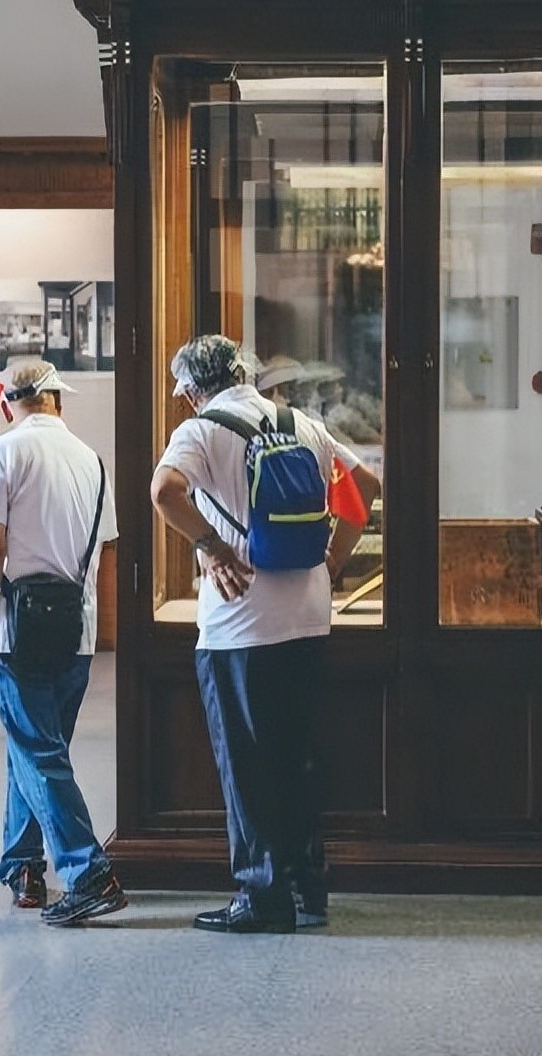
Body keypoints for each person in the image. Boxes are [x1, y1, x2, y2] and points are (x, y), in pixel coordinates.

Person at [150, 335, 379, 934]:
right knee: (297, 757)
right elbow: (363, 495)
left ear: (192, 391)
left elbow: (163, 492)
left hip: (239, 624)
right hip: (308, 615)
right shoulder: (300, 422)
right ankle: (309, 890)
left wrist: (213, 547)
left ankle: (261, 897)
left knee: (247, 764)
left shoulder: (200, 430)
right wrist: (331, 563)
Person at [0, 361, 125, 925]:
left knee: (37, 752)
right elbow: (102, 550)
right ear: (57, 399)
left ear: (9, 405)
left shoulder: (2, 453)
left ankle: (88, 873)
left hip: (18, 629)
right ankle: (24, 865)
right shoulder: (91, 461)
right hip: (74, 631)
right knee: (35, 748)